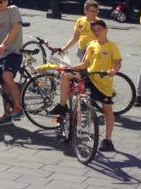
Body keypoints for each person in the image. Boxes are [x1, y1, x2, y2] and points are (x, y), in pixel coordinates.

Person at [49, 19, 120, 152]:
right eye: (94, 31)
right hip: (89, 77)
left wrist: (113, 71)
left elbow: (117, 62)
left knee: (108, 111)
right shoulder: (92, 45)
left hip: (103, 83)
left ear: (106, 30)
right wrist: (70, 68)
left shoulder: (112, 46)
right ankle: (62, 106)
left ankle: (108, 140)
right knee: (66, 76)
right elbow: (85, 64)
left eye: (99, 30)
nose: (97, 33)